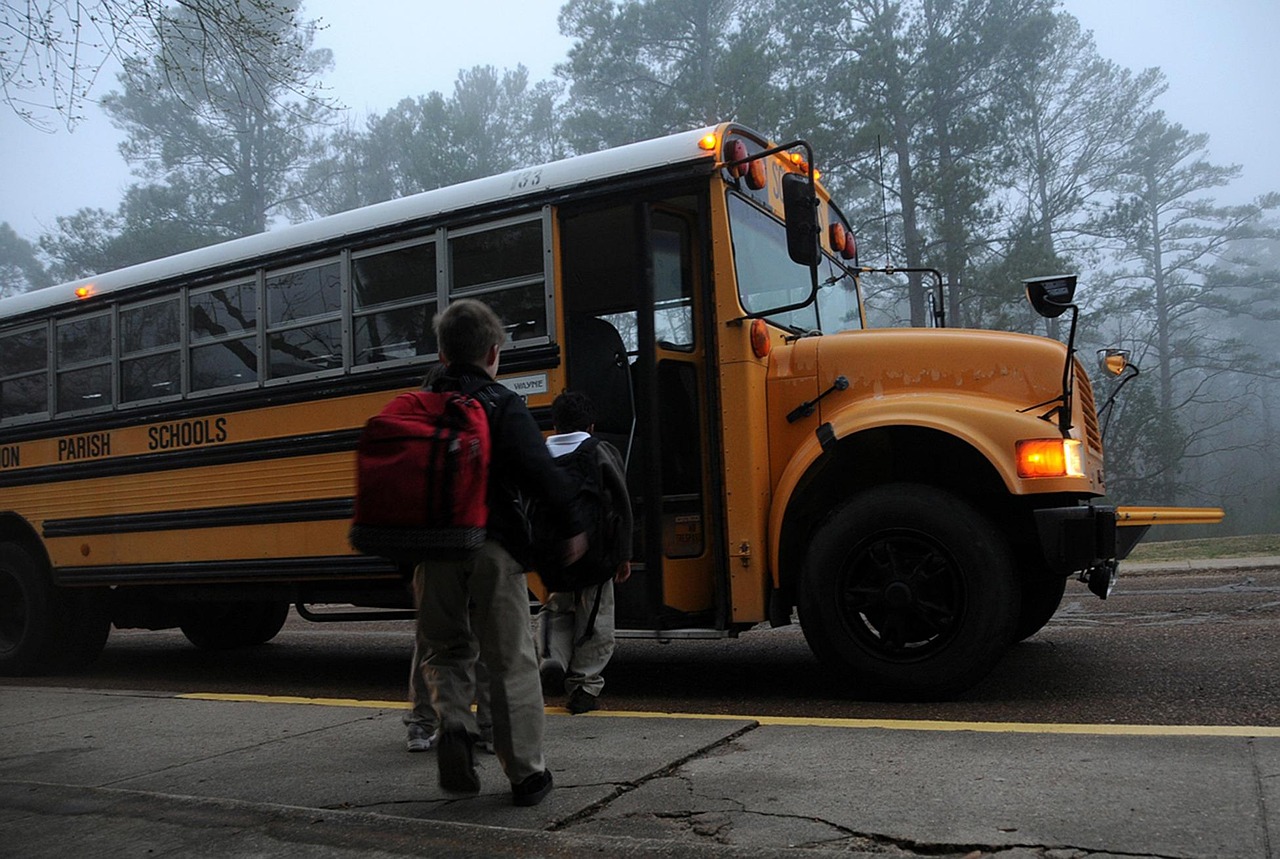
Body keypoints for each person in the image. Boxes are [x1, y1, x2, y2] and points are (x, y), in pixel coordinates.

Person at [414, 298, 585, 807]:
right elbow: (542, 472)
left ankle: (454, 726)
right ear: (493, 352)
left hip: (431, 553)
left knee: (444, 651)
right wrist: (572, 527)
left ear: (443, 354)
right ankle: (527, 775)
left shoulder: (418, 407)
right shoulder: (501, 403)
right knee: (510, 660)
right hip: (492, 547)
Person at [537, 390, 633, 715]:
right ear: (590, 425)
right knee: (595, 618)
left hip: (553, 556)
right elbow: (621, 504)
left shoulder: (539, 454)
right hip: (595, 555)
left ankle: (552, 657)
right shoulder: (600, 451)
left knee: (557, 610)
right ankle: (584, 686)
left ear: (555, 423)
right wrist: (623, 554)